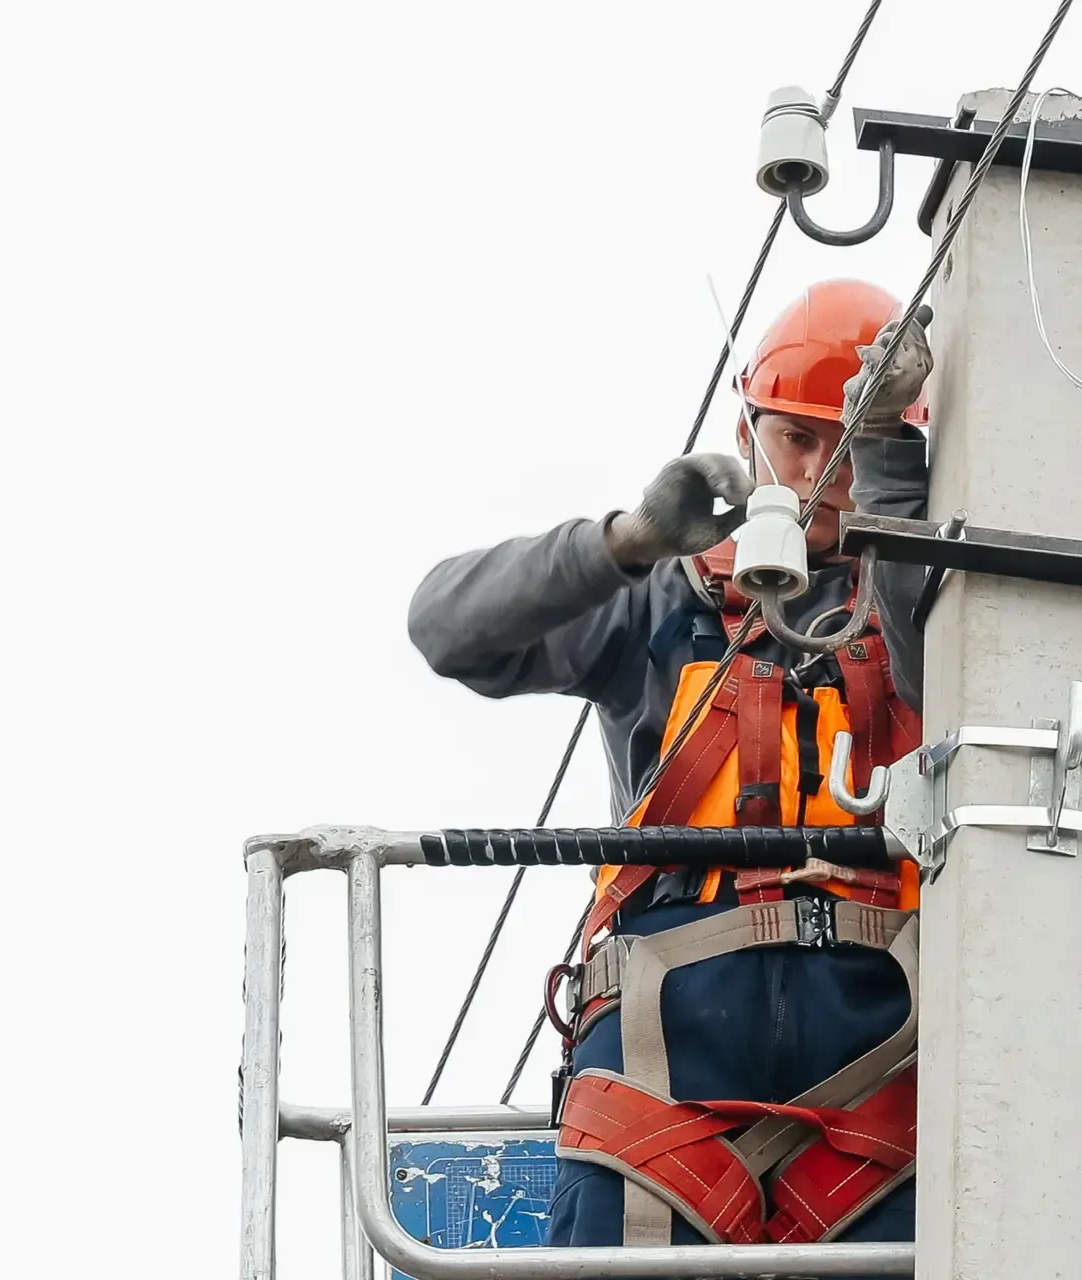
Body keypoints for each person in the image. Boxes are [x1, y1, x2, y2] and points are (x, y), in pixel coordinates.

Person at [407, 278, 934, 1253]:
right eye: (797, 438)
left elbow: (924, 655)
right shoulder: (665, 601)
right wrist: (630, 542)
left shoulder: (941, 608)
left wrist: (892, 464)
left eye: (850, 444)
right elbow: (447, 627)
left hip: (882, 1053)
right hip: (666, 1034)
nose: (824, 474)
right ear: (747, 433)